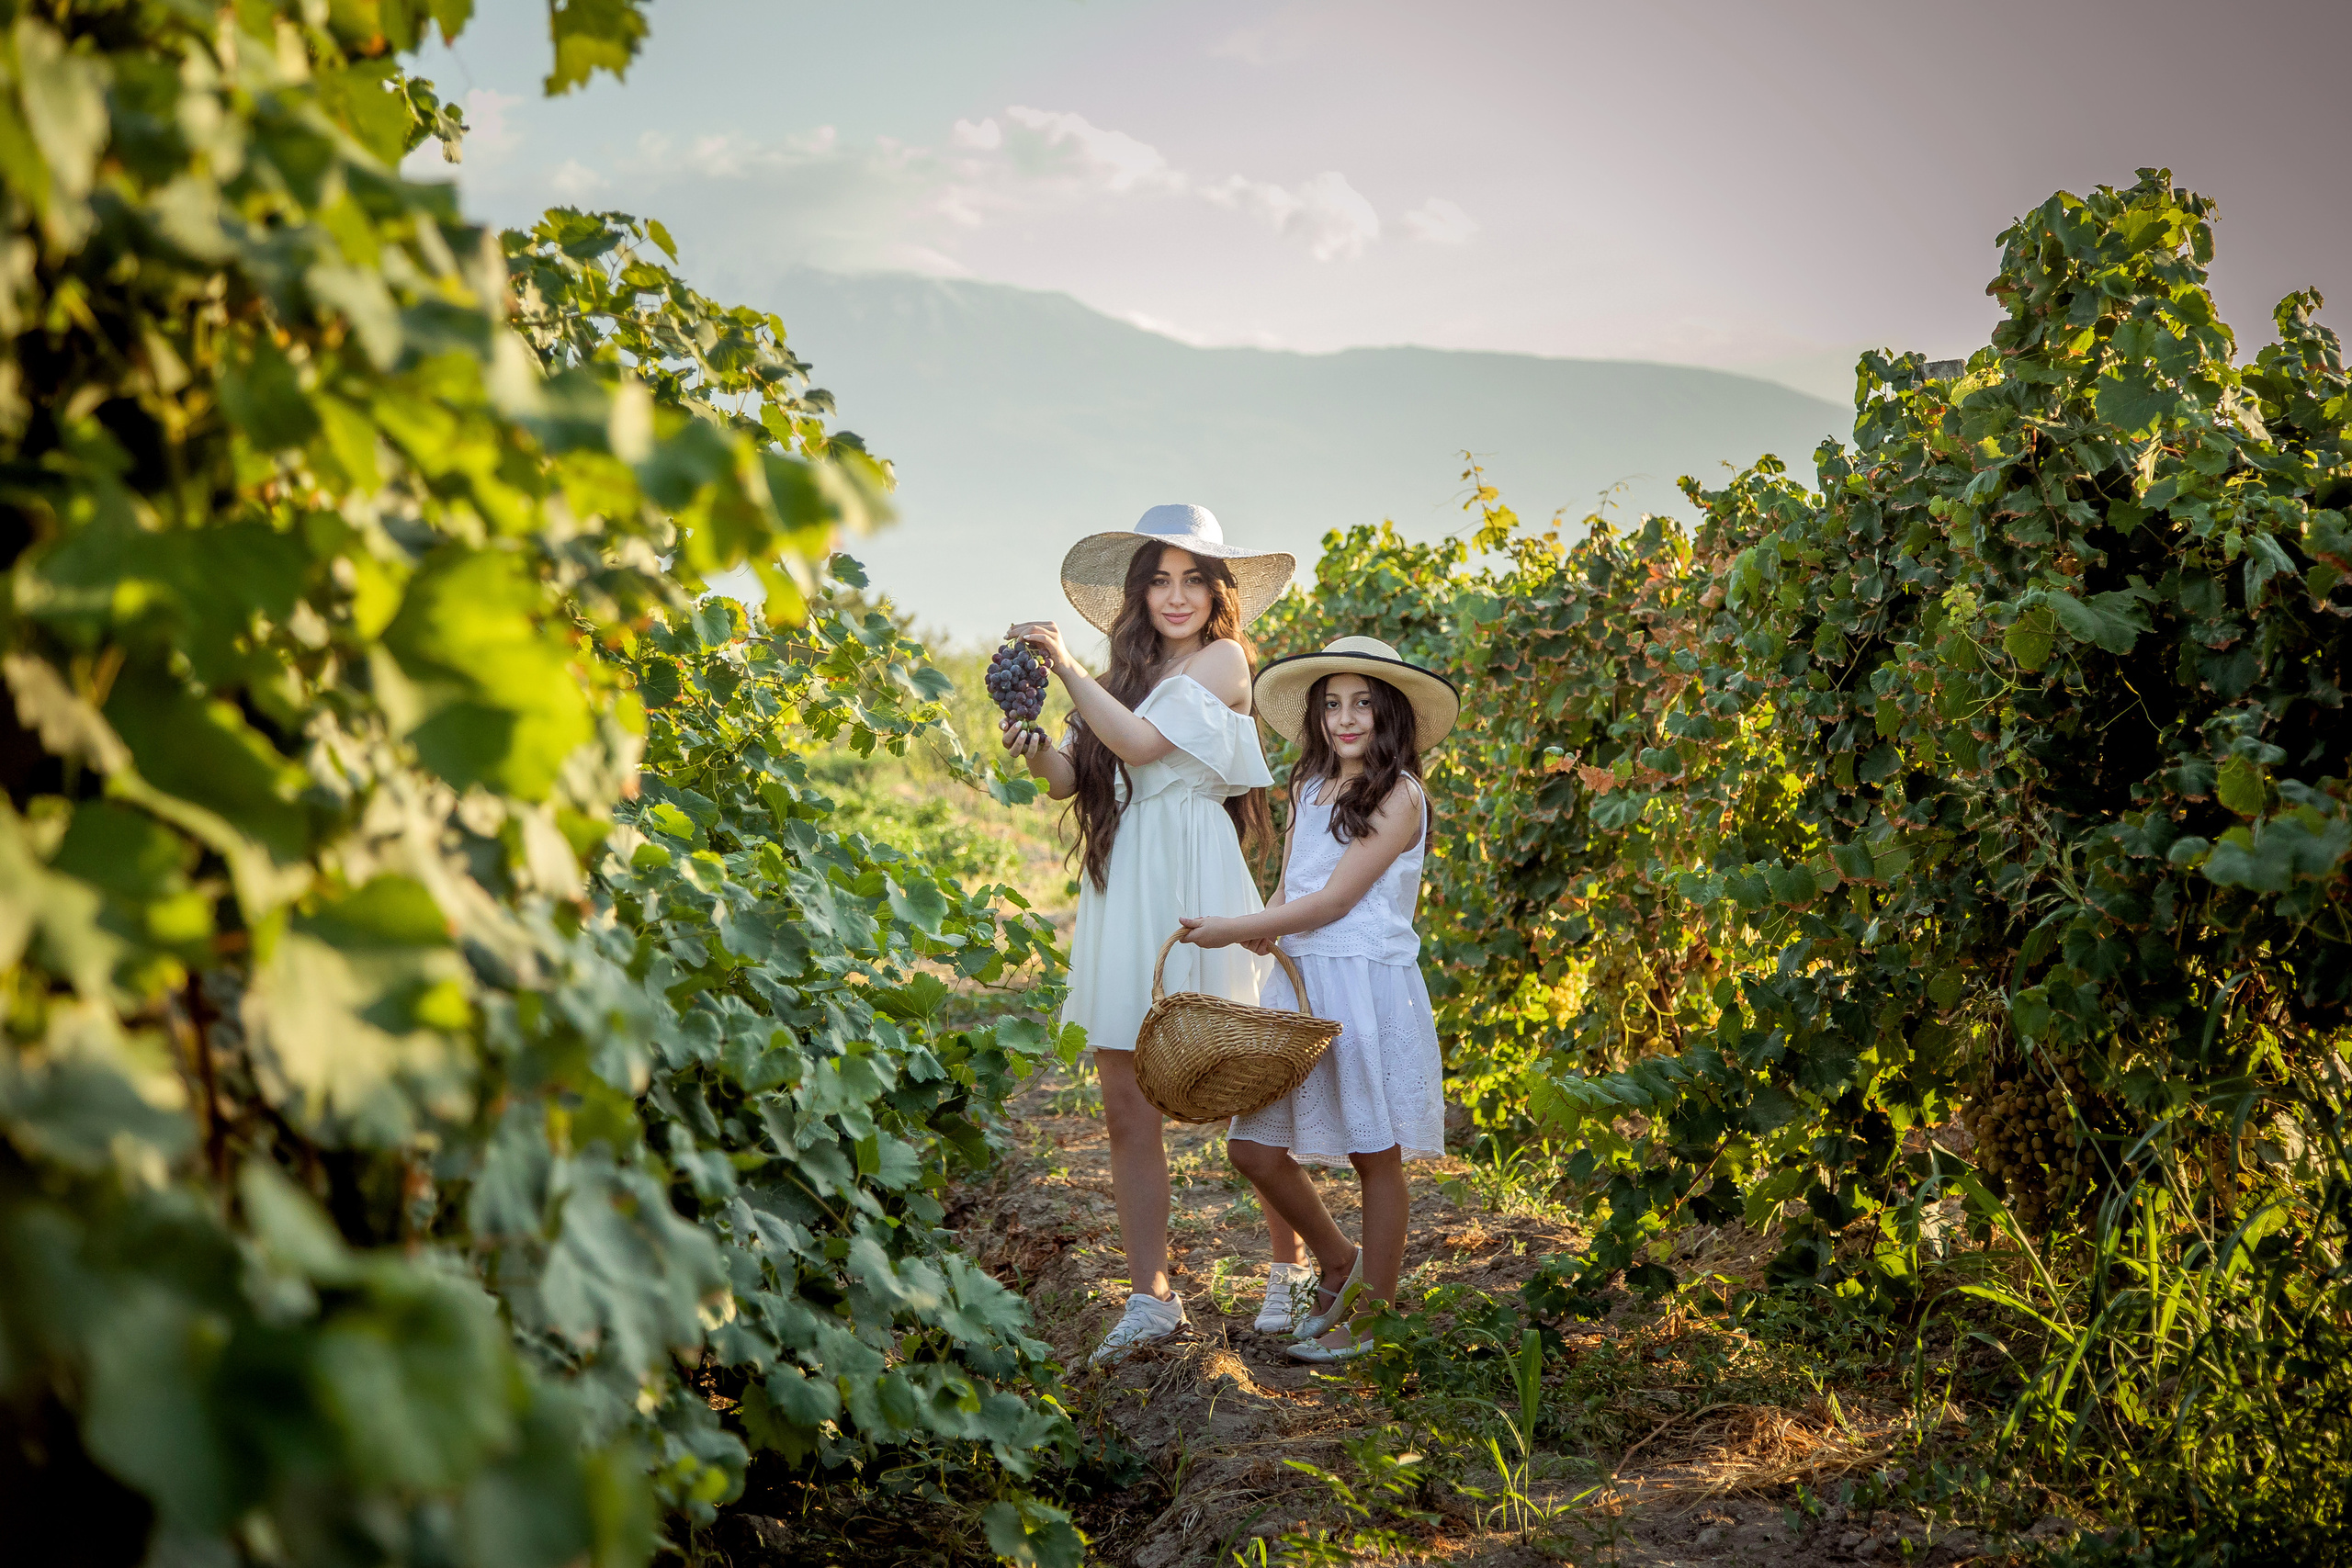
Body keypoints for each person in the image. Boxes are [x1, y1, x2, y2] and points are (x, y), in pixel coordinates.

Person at [1002, 503, 1295, 1364]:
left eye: (1193, 579)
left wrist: (1059, 667)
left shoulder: (1225, 660)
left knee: (1248, 1078)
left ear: (1218, 593)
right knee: (1127, 1103)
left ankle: (1290, 1270)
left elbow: (1133, 744)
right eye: (1159, 579)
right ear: (1138, 591)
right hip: (1125, 883)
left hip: (1196, 876)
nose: (1175, 596)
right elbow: (1068, 777)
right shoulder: (1119, 672)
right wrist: (1031, 746)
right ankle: (1151, 1296)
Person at [1175, 635, 1458, 1362]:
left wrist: (1240, 926)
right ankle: (1336, 1261)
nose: (1346, 717)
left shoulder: (1401, 795)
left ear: (1389, 711)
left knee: (1375, 1153)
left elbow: (1335, 900)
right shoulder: (1306, 784)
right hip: (1303, 981)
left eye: (1362, 702)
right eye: (1332, 703)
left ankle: (1374, 1317)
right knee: (1252, 1146)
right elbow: (1294, 887)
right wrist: (1262, 931)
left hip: (1365, 984)